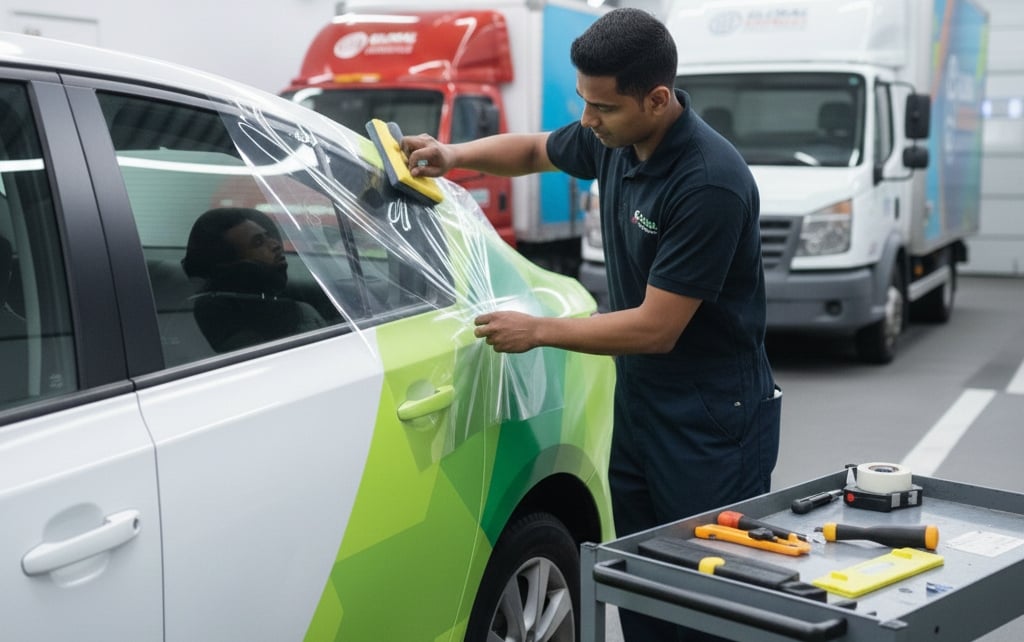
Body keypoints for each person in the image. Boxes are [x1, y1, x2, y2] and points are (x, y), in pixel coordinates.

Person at [402, 8, 780, 641]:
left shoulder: (708, 183)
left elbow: (656, 329)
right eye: (583, 101)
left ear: (657, 99)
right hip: (642, 402)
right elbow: (532, 150)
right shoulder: (616, 139)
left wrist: (537, 331)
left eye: (602, 106)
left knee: (706, 600)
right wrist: (452, 154)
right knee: (641, 582)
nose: (587, 120)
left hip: (712, 418)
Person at [181, 207, 326, 353]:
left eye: (268, 236)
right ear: (234, 268)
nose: (275, 245)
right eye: (258, 243)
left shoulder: (196, 314)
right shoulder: (301, 317)